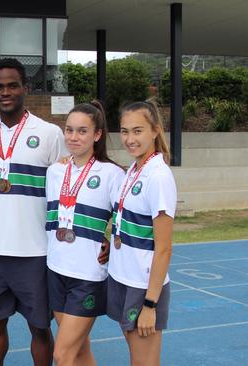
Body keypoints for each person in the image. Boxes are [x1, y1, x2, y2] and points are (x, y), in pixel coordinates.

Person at [0, 58, 67, 366]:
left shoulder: (51, 133)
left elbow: (68, 189)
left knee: (40, 328)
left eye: (13, 85)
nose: (6, 92)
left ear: (26, 88)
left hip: (35, 251)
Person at [45, 100, 125, 366]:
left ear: (97, 135)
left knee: (62, 354)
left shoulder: (112, 173)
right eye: (69, 130)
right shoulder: (55, 171)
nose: (74, 137)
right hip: (56, 269)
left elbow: (126, 217)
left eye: (82, 131)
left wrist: (111, 241)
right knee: (79, 350)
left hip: (87, 275)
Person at [107, 100, 176, 365]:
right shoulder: (134, 170)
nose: (130, 139)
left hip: (142, 287)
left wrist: (150, 305)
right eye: (125, 131)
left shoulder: (158, 176)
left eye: (138, 131)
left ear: (155, 131)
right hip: (123, 278)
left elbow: (164, 248)